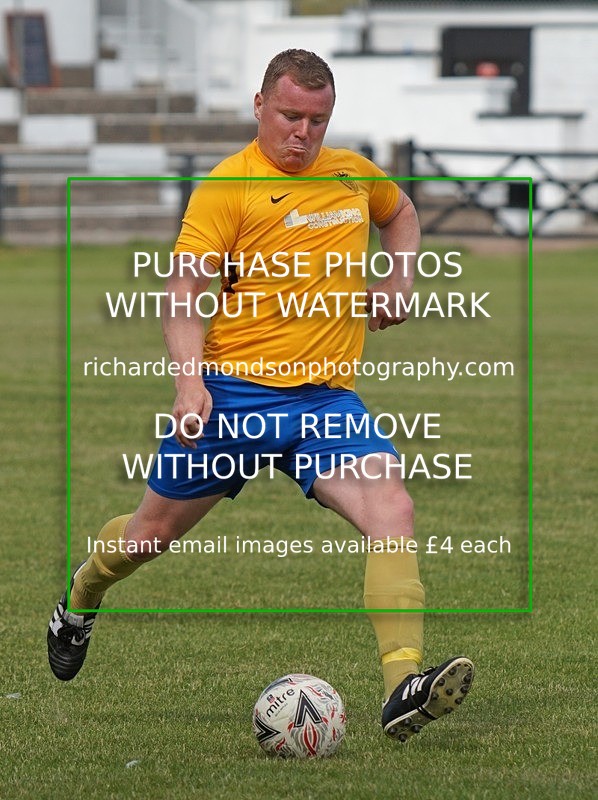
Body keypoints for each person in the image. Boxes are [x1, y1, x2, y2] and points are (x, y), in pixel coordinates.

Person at [48, 49, 474, 742]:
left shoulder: (352, 172)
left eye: (317, 118)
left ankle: (404, 685)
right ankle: (83, 594)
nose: (303, 132)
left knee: (392, 506)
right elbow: (184, 292)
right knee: (149, 539)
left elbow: (400, 215)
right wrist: (190, 386)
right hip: (231, 400)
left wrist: (399, 281)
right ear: (259, 106)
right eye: (290, 116)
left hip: (324, 404)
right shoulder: (228, 188)